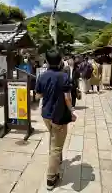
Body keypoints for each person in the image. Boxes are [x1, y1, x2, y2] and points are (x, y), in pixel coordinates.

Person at [35, 48, 76, 191]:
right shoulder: (64, 76)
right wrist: (72, 112)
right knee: (56, 146)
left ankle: (56, 162)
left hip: (46, 114)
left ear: (46, 61)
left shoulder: (42, 76)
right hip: (59, 116)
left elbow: (38, 96)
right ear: (60, 61)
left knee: (53, 140)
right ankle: (51, 177)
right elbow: (67, 98)